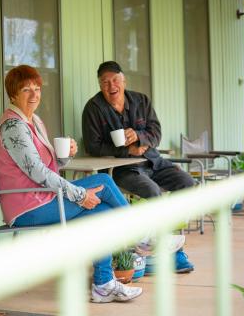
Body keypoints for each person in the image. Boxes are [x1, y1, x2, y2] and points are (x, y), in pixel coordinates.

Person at [0, 64, 142, 303]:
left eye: (37, 88)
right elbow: (38, 172)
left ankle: (103, 285)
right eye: (26, 90)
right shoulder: (14, 126)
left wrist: (65, 156)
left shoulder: (34, 121)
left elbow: (49, 167)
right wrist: (79, 194)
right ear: (12, 94)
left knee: (102, 211)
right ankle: (140, 233)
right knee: (103, 180)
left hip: (43, 197)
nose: (34, 95)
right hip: (27, 207)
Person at [82, 61, 195, 273]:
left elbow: (156, 133)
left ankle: (175, 248)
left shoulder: (141, 100)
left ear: (123, 80)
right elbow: (92, 146)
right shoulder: (93, 108)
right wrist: (128, 151)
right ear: (99, 85)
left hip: (153, 161)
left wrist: (140, 136)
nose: (111, 86)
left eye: (115, 80)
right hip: (122, 169)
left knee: (187, 183)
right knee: (152, 192)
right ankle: (156, 253)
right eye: (104, 82)